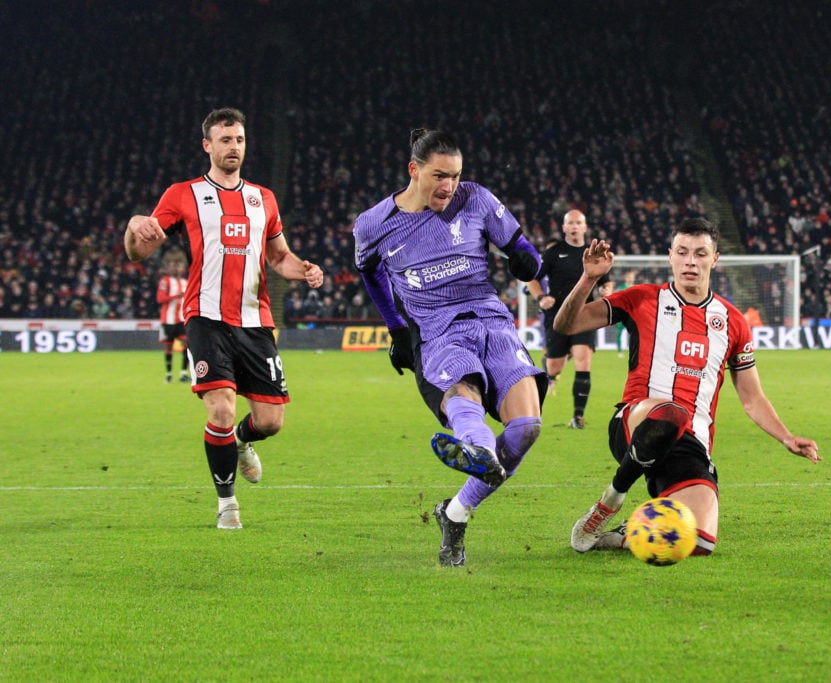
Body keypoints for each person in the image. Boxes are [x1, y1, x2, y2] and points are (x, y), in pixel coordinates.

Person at [555, 217, 820, 557]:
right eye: (682, 252)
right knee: (673, 413)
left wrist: (787, 436)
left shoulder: (733, 322)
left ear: (715, 259)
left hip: (690, 443)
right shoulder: (642, 299)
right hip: (634, 424)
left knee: (699, 541)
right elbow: (567, 324)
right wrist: (589, 278)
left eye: (700, 253)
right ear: (670, 256)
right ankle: (610, 501)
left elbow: (752, 398)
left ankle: (627, 533)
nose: (690, 261)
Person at [123, 107, 324, 530]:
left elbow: (278, 256)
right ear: (208, 145)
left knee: (270, 422)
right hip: (205, 317)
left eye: (239, 140)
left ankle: (241, 441)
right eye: (225, 140)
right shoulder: (182, 194)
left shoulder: (263, 198)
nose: (234, 147)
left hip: (255, 321)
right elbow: (138, 250)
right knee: (220, 410)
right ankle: (227, 503)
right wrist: (133, 225)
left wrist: (303, 268)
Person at [354, 128, 546, 567]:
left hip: (493, 321)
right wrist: (396, 328)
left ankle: (454, 512)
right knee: (465, 393)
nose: (449, 186)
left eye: (456, 176)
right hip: (439, 331)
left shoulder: (475, 199)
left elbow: (522, 249)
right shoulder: (374, 224)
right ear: (414, 170)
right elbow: (369, 272)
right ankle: (477, 450)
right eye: (440, 175)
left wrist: (526, 260)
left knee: (526, 430)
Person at [525, 209, 611, 429]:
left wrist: (606, 291)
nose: (574, 226)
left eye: (578, 223)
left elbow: (606, 281)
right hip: (557, 316)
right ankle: (552, 367)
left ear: (584, 227)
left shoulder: (593, 253)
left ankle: (578, 417)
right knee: (554, 367)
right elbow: (532, 280)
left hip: (584, 314)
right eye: (570, 223)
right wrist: (542, 297)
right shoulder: (554, 253)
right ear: (564, 228)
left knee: (584, 359)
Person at [156, 256, 190, 383]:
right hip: (168, 320)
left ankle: (183, 374)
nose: (177, 269)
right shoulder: (165, 281)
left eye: (179, 266)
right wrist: (176, 296)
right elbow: (160, 299)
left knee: (187, 345)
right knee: (168, 347)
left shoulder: (185, 282)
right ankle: (169, 374)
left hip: (182, 319)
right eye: (174, 266)